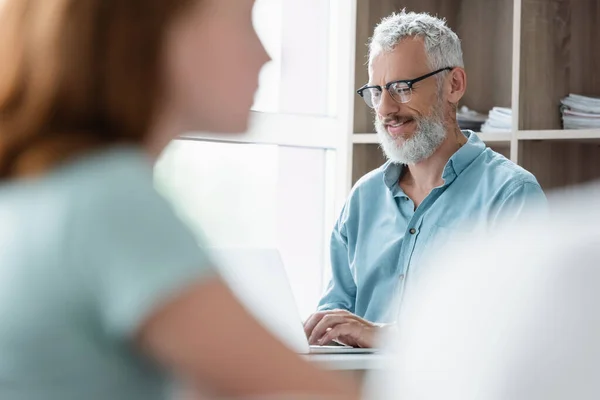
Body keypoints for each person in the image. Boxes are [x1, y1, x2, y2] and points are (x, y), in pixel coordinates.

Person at [0, 1, 359, 399]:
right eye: (245, 21)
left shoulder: (42, 190)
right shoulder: (112, 202)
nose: (266, 56)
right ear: (160, 31)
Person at [304, 10, 546, 349]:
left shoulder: (511, 196)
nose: (386, 108)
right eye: (377, 91)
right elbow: (336, 311)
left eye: (402, 88)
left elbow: (522, 330)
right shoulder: (364, 198)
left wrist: (388, 336)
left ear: (454, 85)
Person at [367, 184, 600, 399]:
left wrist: (390, 338)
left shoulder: (513, 192)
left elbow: (516, 340)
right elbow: (337, 303)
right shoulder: (365, 193)